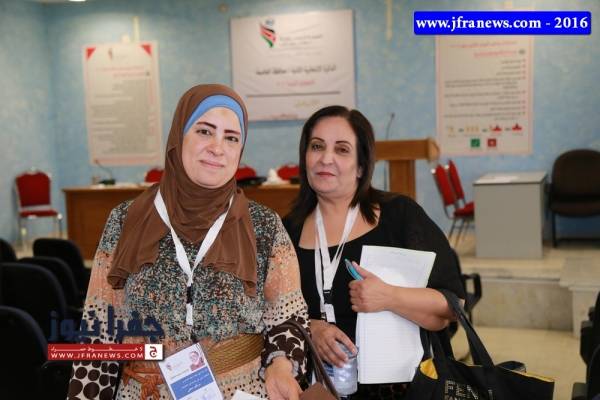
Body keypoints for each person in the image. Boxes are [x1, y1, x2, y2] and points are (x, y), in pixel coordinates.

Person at [67, 84, 309, 400]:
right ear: (179, 136)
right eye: (205, 131)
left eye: (231, 138)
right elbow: (100, 328)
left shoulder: (263, 225)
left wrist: (281, 363)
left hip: (241, 391)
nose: (217, 148)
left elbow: (288, 316)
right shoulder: (126, 220)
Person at [283, 105, 466, 400]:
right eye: (317, 146)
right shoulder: (287, 230)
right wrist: (309, 328)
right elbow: (270, 312)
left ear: (361, 166)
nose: (326, 158)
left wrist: (389, 297)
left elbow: (452, 305)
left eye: (342, 149)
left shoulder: (399, 215)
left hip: (400, 389)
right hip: (317, 387)